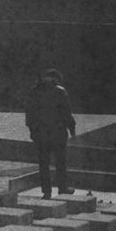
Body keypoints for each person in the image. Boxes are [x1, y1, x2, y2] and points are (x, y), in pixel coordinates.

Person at [24, 67, 76, 198]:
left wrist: (33, 130)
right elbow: (66, 112)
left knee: (43, 164)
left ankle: (46, 192)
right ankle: (62, 188)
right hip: (58, 132)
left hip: (41, 133)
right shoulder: (60, 91)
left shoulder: (34, 91)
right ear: (56, 79)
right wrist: (72, 128)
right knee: (60, 162)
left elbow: (29, 113)